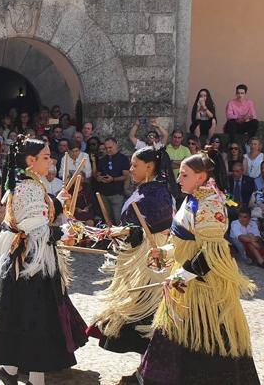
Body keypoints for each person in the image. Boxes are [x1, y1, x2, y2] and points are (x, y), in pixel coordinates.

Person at [139, 152, 260, 385]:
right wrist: (163, 253)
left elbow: (211, 254)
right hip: (185, 285)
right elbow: (185, 241)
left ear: (201, 176)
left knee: (209, 338)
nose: (179, 179)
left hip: (205, 289)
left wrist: (181, 275)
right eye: (179, 174)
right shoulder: (192, 197)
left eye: (184, 175)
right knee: (176, 336)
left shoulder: (211, 203)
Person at [0, 136, 87, 385]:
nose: (51, 160)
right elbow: (38, 229)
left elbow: (38, 213)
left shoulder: (32, 184)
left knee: (20, 317)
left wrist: (57, 202)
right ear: (31, 161)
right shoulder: (28, 187)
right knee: (35, 321)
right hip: (29, 262)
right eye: (45, 157)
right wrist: (65, 232)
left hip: (28, 262)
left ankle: (10, 372)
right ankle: (31, 378)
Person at [88, 147, 175, 380]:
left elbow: (154, 231)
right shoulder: (146, 190)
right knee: (137, 317)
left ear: (150, 167)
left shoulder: (158, 194)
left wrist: (127, 232)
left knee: (146, 318)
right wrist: (121, 233)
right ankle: (144, 371)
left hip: (149, 267)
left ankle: (148, 372)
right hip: (136, 264)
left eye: (135, 165)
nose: (131, 169)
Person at [96, 138, 131, 224]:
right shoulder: (102, 159)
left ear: (116, 145)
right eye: (106, 148)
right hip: (103, 194)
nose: (108, 150)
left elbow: (126, 176)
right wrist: (99, 178)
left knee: (118, 219)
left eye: (110, 147)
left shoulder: (123, 159)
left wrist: (113, 179)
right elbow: (97, 174)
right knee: (107, 220)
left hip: (117, 194)